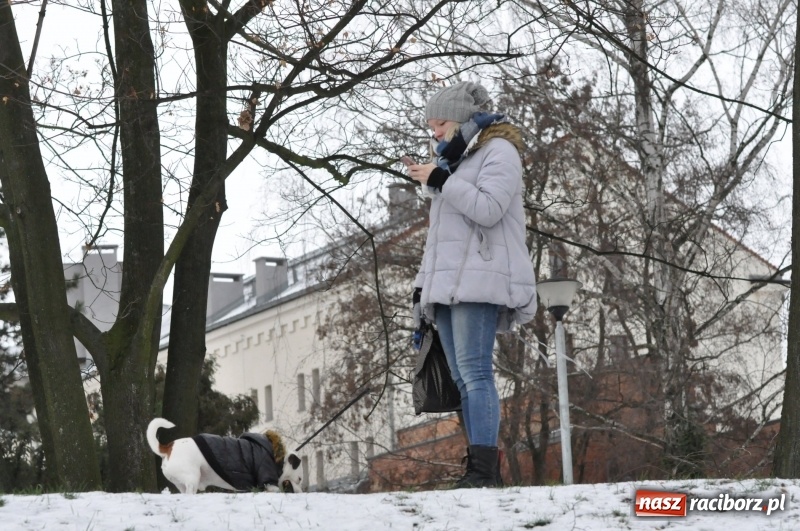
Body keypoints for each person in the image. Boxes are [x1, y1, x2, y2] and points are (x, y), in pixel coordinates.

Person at [408, 81, 537, 488]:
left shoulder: (500, 151)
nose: (435, 132)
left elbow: (489, 208)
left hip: (480, 281)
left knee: (476, 373)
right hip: (447, 288)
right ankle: (477, 468)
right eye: (430, 125)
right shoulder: (455, 163)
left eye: (441, 122)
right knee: (462, 379)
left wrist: (442, 182)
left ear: (462, 119)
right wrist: (422, 288)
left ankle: (484, 471)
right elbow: (441, 242)